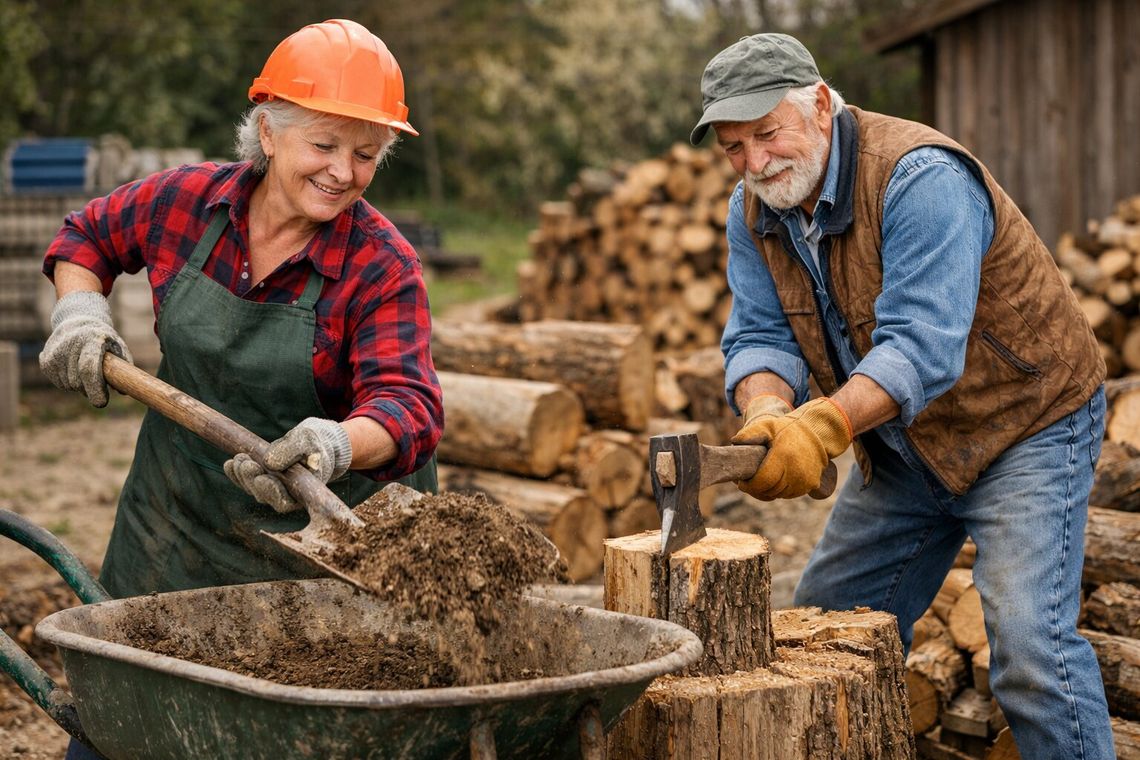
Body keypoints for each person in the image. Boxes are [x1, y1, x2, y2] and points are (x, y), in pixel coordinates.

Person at [692, 33, 1113, 758]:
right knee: (826, 630)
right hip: (903, 445)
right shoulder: (753, 210)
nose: (755, 163)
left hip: (1024, 427)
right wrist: (766, 412)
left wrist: (822, 428)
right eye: (734, 147)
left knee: (1029, 649)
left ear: (821, 106)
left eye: (767, 134)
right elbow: (760, 335)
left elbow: (921, 347)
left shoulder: (920, 177)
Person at [40, 17, 442, 754]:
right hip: (173, 527)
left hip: (318, 566)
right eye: (323, 145)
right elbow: (86, 238)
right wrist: (79, 311)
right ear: (268, 132)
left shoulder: (382, 265)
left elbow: (409, 406)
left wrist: (333, 443)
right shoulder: (186, 203)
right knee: (123, 728)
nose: (342, 173)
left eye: (365, 154)